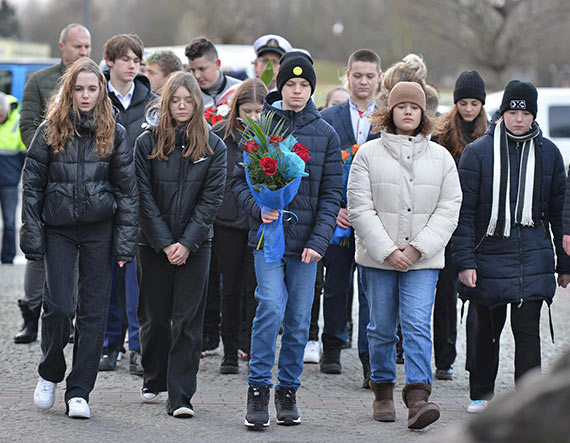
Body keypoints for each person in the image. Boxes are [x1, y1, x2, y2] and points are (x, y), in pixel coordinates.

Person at [21, 57, 138, 419]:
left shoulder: (114, 132)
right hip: (57, 229)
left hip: (99, 230)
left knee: (93, 311)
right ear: (68, 91)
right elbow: (32, 187)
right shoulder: (49, 131)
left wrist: (124, 243)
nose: (85, 95)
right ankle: (50, 372)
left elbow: (127, 192)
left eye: (92, 89)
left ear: (101, 92)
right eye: (79, 88)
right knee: (57, 307)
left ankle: (79, 390)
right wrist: (33, 236)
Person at [233, 51, 342, 430]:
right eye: (290, 84)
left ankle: (288, 390)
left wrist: (320, 240)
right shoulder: (262, 126)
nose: (296, 91)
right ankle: (259, 388)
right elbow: (239, 181)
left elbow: (332, 194)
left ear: (312, 89)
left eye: (304, 85)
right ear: (280, 87)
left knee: (297, 320)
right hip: (269, 237)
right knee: (270, 307)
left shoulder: (326, 133)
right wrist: (257, 209)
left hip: (307, 245)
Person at [348, 81, 462, 429]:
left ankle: (418, 396)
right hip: (378, 259)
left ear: (423, 113)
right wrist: (387, 250)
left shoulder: (441, 157)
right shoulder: (367, 154)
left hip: (423, 260)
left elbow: (449, 207)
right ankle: (382, 391)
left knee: (416, 324)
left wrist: (416, 248)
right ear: (390, 111)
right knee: (381, 328)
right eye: (401, 106)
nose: (408, 112)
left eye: (414, 107)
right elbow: (359, 206)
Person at [452, 80, 570, 414]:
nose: (518, 118)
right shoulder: (478, 153)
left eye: (525, 112)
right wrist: (464, 262)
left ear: (533, 115)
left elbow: (561, 213)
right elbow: (464, 215)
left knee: (528, 334)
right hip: (487, 253)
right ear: (502, 112)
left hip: (533, 254)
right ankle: (481, 393)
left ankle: (529, 401)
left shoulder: (549, 153)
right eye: (512, 111)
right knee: (486, 332)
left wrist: (565, 264)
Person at [135, 71, 226, 417]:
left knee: (187, 320)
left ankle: (181, 395)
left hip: (196, 245)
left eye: (189, 100)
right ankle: (154, 375)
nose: (182, 106)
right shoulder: (146, 144)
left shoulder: (213, 146)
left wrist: (186, 243)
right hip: (153, 243)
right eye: (176, 100)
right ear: (166, 102)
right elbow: (142, 198)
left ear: (198, 103)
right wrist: (165, 242)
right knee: (156, 318)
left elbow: (211, 200)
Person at [15, 23, 91, 345]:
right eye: (78, 47)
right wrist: (54, 156)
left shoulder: (93, 82)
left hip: (84, 181)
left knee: (75, 252)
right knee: (39, 249)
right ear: (62, 47)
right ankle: (31, 315)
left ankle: (68, 316)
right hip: (48, 178)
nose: (84, 53)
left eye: (88, 47)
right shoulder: (40, 81)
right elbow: (28, 126)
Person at [318, 49, 382, 385]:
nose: (363, 82)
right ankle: (332, 345)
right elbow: (324, 170)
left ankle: (371, 358)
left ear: (379, 78)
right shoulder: (330, 117)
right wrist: (336, 208)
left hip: (375, 220)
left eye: (370, 76)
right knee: (336, 286)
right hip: (339, 218)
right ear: (347, 75)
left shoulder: (388, 118)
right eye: (357, 75)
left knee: (372, 290)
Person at [98, 34, 156, 375]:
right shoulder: (95, 96)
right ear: (110, 62)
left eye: (137, 59)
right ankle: (109, 345)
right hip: (104, 198)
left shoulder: (151, 102)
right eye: (126, 59)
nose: (132, 65)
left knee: (137, 278)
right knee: (108, 277)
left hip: (139, 199)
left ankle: (137, 346)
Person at [431, 70, 488, 381]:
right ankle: (444, 358)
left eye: (474, 103)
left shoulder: (489, 134)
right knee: (445, 295)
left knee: (477, 294)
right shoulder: (442, 133)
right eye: (463, 102)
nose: (468, 109)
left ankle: (476, 360)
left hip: (476, 224)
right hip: (446, 222)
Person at [211, 78, 268, 374]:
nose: (254, 118)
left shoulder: (272, 139)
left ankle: (250, 345)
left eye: (259, 111)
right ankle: (229, 350)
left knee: (255, 288)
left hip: (259, 220)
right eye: (248, 111)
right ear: (237, 109)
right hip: (227, 221)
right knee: (229, 287)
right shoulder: (220, 135)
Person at [304, 84, 350, 365]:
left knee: (338, 286)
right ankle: (310, 336)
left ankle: (336, 339)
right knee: (315, 283)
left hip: (346, 218)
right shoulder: (323, 131)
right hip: (324, 218)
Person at [0, 93, 25, 265]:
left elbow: (26, 156)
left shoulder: (18, 122)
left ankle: (8, 258)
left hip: (9, 181)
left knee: (9, 222)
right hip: (8, 178)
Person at [185, 37, 242, 111]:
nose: (197, 76)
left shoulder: (240, 90)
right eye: (192, 70)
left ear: (217, 64)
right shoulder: (187, 95)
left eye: (202, 69)